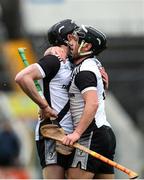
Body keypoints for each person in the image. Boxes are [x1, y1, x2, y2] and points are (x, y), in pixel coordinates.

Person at [15, 19, 78, 179]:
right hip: (53, 132)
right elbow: (23, 77)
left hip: (73, 136)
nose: (80, 41)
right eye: (77, 37)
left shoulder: (75, 63)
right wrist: (44, 106)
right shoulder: (54, 60)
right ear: (68, 37)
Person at [60, 25, 116, 179]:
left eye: (76, 40)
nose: (70, 43)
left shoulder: (84, 71)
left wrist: (76, 133)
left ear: (87, 46)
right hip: (104, 133)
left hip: (91, 134)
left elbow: (92, 104)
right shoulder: (90, 65)